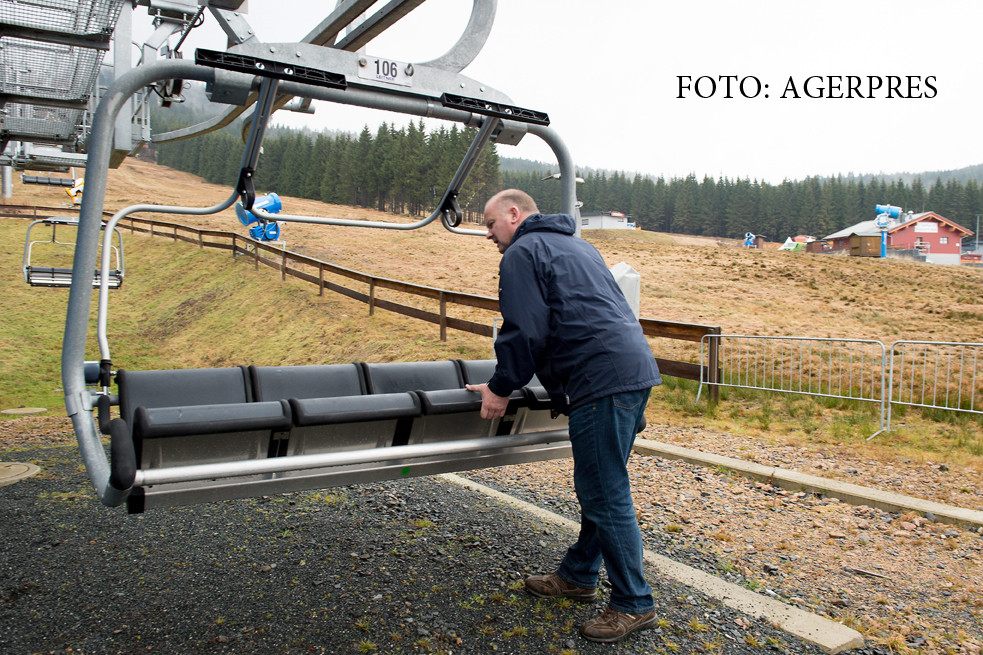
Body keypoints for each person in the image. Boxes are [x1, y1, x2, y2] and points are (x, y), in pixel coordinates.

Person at [465, 189, 662, 643]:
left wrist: (499, 387)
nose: (489, 235)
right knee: (605, 487)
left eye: (491, 225)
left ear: (514, 215)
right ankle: (578, 575)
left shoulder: (523, 252)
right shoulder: (579, 246)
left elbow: (525, 330)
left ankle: (634, 603)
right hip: (632, 375)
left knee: (604, 494)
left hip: (601, 383)